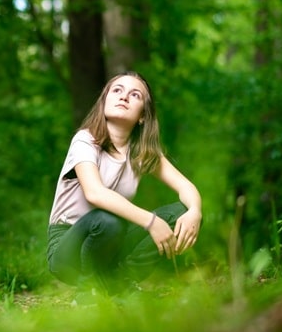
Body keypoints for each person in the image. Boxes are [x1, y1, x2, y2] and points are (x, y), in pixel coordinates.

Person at [47, 71, 202, 295]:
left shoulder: (142, 153)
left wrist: (195, 211)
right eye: (117, 90)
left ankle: (120, 282)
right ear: (105, 102)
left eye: (135, 94)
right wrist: (151, 221)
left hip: (114, 241)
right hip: (67, 246)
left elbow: (185, 187)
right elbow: (95, 194)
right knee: (106, 220)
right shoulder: (85, 140)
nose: (124, 97)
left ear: (142, 116)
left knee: (181, 213)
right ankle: (89, 289)